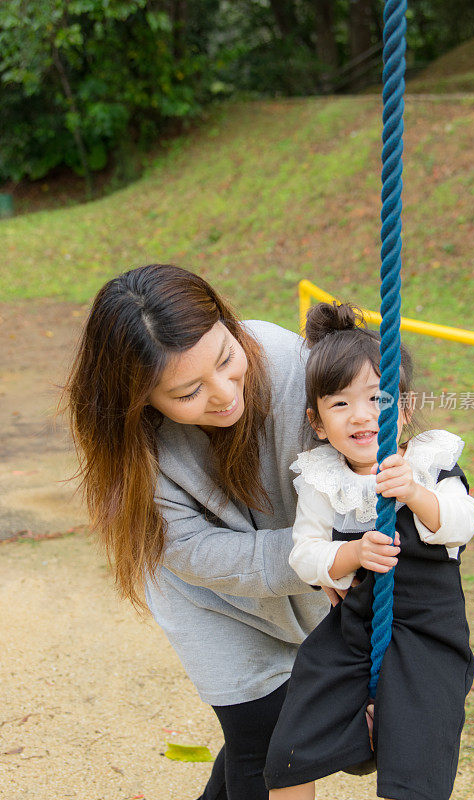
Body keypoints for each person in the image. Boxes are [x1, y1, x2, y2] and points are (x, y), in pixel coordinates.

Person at [64, 264, 330, 800]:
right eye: (188, 392)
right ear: (140, 401)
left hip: (312, 575)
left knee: (276, 732)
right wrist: (317, 557)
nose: (224, 393)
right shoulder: (133, 450)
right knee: (268, 739)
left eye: (227, 359)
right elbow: (189, 548)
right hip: (214, 594)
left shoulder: (290, 363)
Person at [263, 301, 474, 800]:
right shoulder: (323, 481)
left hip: (428, 630)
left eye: (377, 399)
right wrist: (352, 556)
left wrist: (415, 495)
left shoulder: (429, 465)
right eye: (339, 404)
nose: (361, 415)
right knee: (290, 750)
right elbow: (305, 556)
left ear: (402, 410)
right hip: (353, 631)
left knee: (417, 760)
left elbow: (463, 524)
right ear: (319, 423)